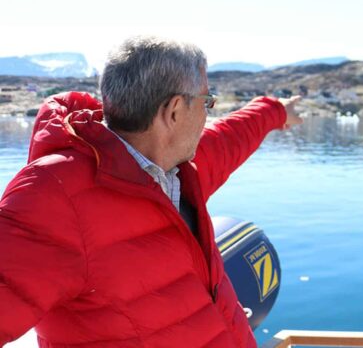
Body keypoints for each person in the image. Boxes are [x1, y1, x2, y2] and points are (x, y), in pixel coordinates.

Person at [0, 36, 302, 348]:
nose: (207, 114)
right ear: (174, 111)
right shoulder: (53, 197)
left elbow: (231, 137)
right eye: (206, 102)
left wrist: (277, 110)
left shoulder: (180, 167)